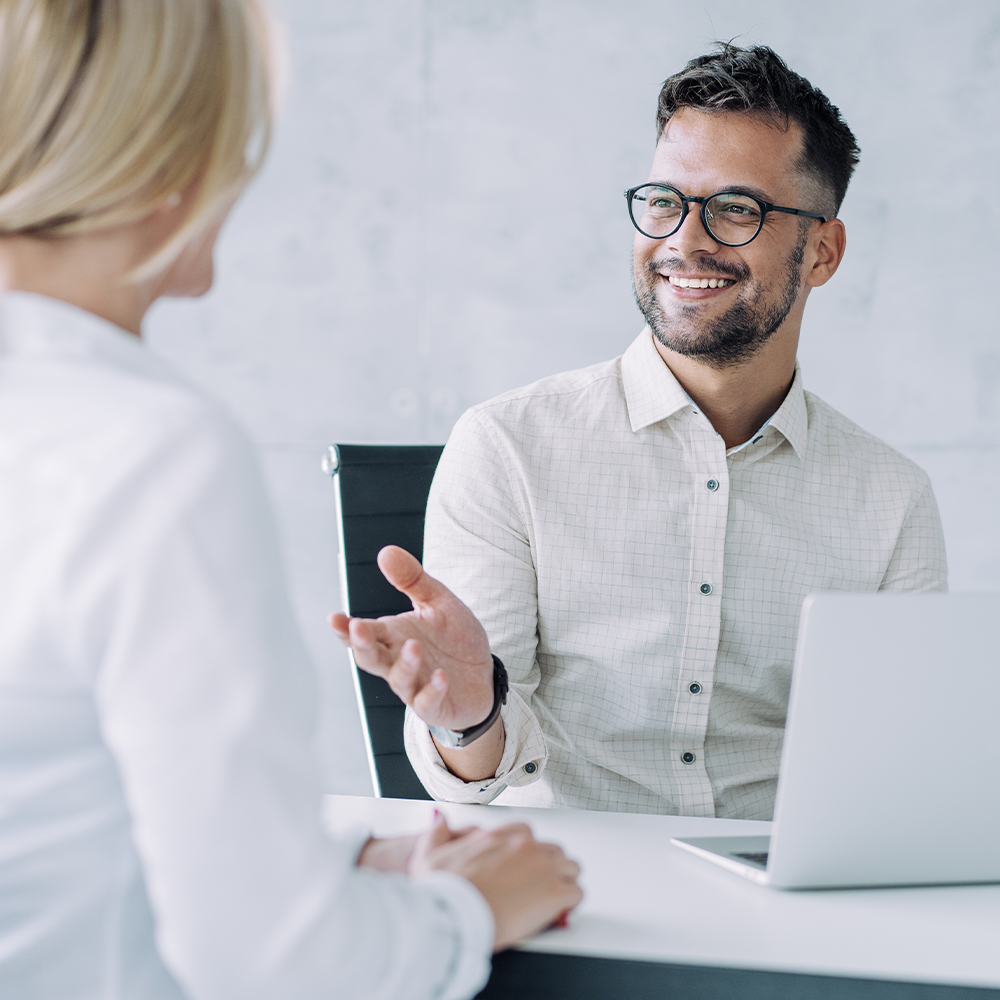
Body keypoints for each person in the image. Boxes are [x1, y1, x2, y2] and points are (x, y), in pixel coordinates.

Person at [0, 2, 581, 998]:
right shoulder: (151, 453)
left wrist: (316, 873)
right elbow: (271, 960)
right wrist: (470, 905)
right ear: (170, 154)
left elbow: (52, 813)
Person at [335, 45, 947, 821]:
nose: (684, 242)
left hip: (788, 908)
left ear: (822, 251)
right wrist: (472, 714)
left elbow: (901, 773)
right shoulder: (507, 446)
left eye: (735, 208)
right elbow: (480, 776)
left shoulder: (891, 500)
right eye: (664, 201)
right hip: (572, 889)